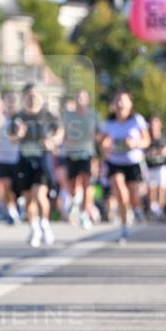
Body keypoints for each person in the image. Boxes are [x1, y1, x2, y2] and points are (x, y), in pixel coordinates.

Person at [11, 84, 63, 247]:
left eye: (35, 96)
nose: (32, 99)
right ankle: (34, 228)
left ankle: (45, 224)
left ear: (40, 97)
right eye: (29, 96)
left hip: (43, 161)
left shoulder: (48, 115)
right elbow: (12, 138)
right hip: (25, 161)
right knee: (28, 197)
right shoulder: (18, 117)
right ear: (24, 98)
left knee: (39, 194)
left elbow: (60, 132)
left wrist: (52, 141)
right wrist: (18, 135)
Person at [97, 91, 149, 243]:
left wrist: (135, 143)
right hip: (114, 161)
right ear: (114, 104)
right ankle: (124, 226)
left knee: (133, 196)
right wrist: (105, 146)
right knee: (120, 192)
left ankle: (135, 208)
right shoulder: (109, 122)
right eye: (117, 100)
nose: (120, 104)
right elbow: (102, 142)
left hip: (132, 161)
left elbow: (146, 140)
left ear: (130, 104)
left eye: (123, 100)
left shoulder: (136, 120)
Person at [62, 88, 98, 229]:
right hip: (71, 154)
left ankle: (85, 214)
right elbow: (62, 132)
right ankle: (75, 202)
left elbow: (100, 133)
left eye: (83, 97)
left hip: (87, 154)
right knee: (72, 185)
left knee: (86, 183)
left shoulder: (93, 115)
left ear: (87, 100)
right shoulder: (68, 116)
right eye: (78, 97)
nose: (80, 100)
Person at [0, 92, 21, 224]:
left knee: (14, 188)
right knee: (4, 185)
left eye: (13, 101)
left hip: (15, 158)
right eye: (8, 101)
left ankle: (15, 208)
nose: (10, 104)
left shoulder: (19, 119)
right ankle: (10, 210)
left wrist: (17, 135)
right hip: (1, 158)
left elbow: (17, 138)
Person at [145, 115, 166, 220]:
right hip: (149, 167)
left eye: (155, 123)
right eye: (152, 124)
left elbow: (165, 150)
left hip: (161, 166)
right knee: (151, 189)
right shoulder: (147, 138)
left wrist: (157, 152)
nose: (153, 126)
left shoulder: (163, 137)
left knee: (161, 188)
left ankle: (160, 210)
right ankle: (153, 209)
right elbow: (144, 151)